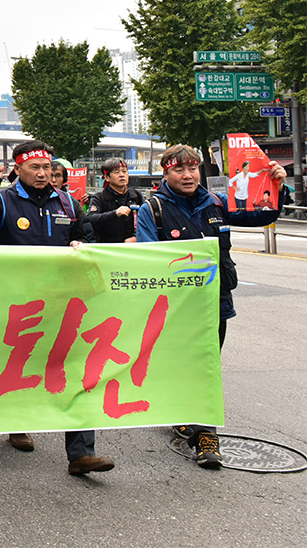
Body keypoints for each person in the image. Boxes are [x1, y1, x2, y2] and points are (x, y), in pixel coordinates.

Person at [137, 144, 287, 468]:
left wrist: (277, 185)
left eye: (193, 169)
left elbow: (261, 213)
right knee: (181, 366)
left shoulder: (216, 202)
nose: (188, 175)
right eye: (180, 169)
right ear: (166, 172)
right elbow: (147, 263)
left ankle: (198, 426)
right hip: (174, 309)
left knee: (207, 367)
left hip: (215, 304)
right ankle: (195, 425)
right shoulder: (153, 209)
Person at [0, 140, 111, 475]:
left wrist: (83, 243)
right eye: (34, 167)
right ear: (18, 169)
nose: (42, 173)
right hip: (18, 306)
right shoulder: (4, 200)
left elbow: (87, 235)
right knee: (18, 368)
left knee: (77, 371)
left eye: (47, 167)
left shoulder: (67, 201)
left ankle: (80, 453)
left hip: (63, 303)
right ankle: (17, 422)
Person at [86, 158, 141, 243]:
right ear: (107, 177)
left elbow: (147, 220)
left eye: (124, 171)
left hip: (133, 247)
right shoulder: (99, 198)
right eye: (117, 172)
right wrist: (115, 213)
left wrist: (137, 237)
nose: (122, 175)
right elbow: (90, 219)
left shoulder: (137, 195)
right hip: (108, 248)